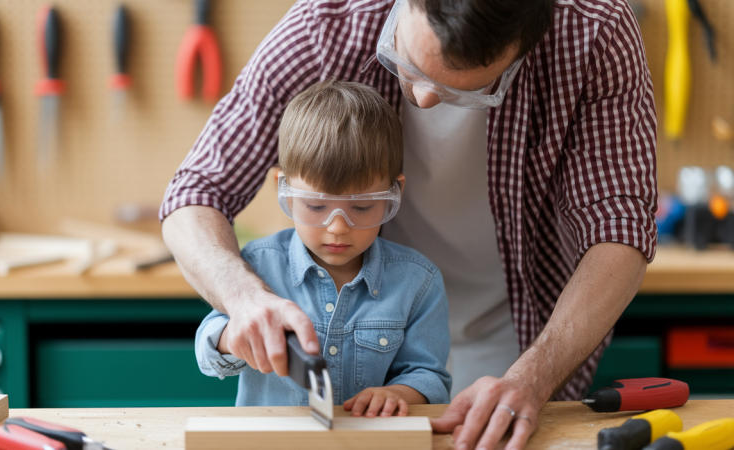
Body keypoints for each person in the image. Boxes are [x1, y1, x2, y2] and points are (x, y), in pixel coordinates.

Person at [161, 0, 657, 448]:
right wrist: (244, 299)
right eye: (408, 64)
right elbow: (195, 194)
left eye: (465, 90)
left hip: (526, 337)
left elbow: (619, 232)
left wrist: (533, 376)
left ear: (526, 46)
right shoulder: (324, 28)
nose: (421, 99)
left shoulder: (593, 31)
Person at [194, 80, 451, 415]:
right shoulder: (257, 266)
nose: (338, 227)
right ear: (283, 189)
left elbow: (430, 376)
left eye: (361, 207)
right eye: (316, 207)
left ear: (394, 192)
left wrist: (401, 393)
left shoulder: (418, 282)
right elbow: (208, 353)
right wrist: (235, 335)